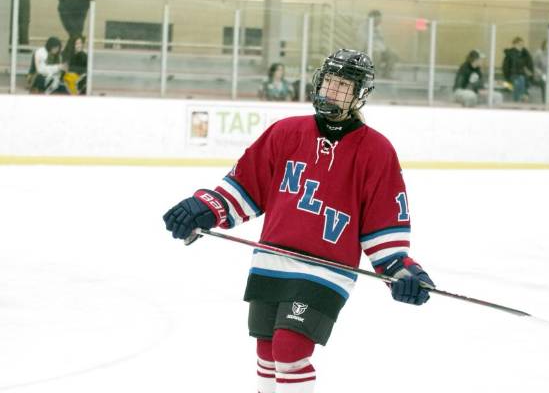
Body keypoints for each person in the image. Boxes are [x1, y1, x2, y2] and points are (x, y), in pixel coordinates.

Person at [163, 49, 435, 393]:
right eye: (330, 83)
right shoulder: (286, 132)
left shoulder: (376, 151)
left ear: (358, 94)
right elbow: (247, 186)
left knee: (290, 348)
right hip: (271, 260)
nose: (333, 91)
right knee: (266, 349)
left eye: (343, 86)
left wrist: (401, 270)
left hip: (326, 268)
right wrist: (205, 207)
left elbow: (384, 222)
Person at [358, 10, 398, 78]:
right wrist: (375, 48)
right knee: (376, 54)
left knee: (392, 54)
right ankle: (374, 74)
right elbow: (363, 41)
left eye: (380, 19)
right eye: (378, 19)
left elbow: (381, 41)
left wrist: (385, 48)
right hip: (368, 50)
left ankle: (387, 74)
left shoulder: (378, 27)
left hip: (380, 49)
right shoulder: (363, 27)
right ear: (372, 19)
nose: (380, 21)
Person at [502, 37, 534, 102]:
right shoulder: (510, 55)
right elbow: (505, 68)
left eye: (522, 44)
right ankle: (524, 95)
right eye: (519, 44)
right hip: (512, 76)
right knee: (519, 80)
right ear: (514, 45)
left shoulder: (526, 54)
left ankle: (517, 101)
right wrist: (507, 78)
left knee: (520, 80)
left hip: (524, 77)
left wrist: (529, 73)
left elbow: (530, 67)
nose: (521, 46)